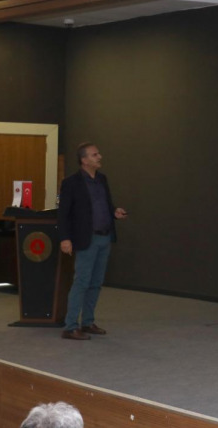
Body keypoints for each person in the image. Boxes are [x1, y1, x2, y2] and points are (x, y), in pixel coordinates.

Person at [58, 143, 127, 341]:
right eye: (95, 154)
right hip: (85, 238)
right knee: (82, 282)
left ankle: (87, 322)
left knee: (96, 283)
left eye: (98, 153)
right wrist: (65, 238)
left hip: (105, 237)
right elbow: (63, 214)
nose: (99, 156)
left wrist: (115, 212)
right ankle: (70, 327)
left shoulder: (102, 179)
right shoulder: (71, 183)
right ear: (84, 160)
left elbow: (104, 205)